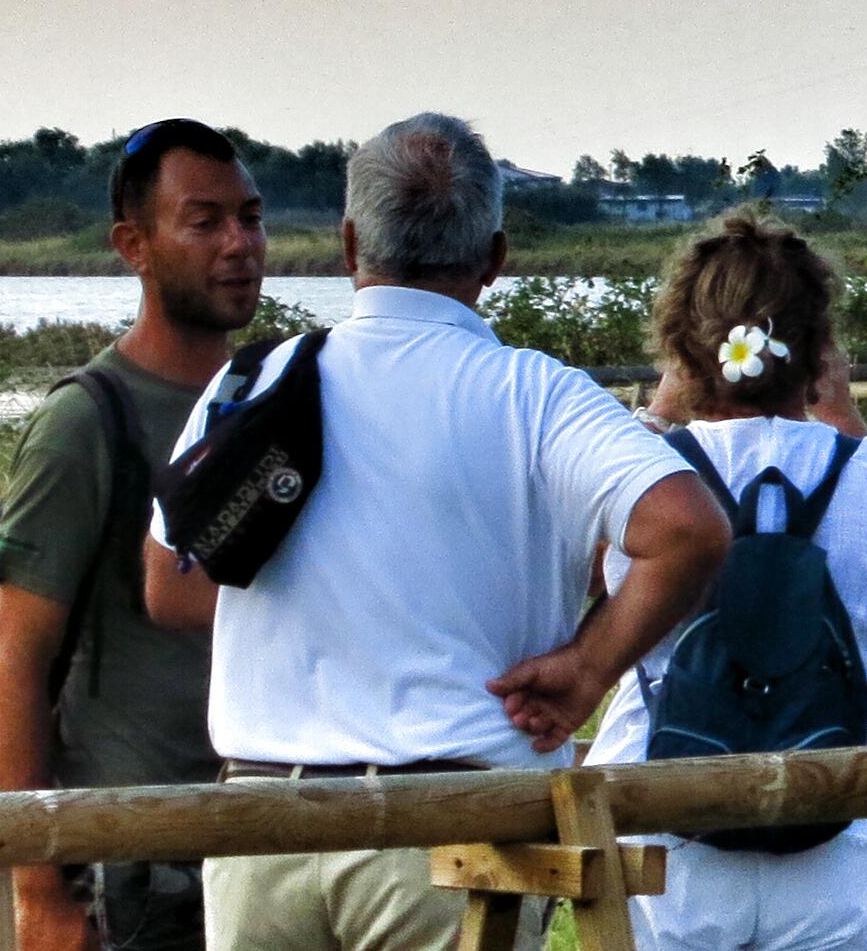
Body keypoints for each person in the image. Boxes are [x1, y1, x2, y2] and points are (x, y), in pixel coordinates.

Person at [144, 114, 730, 951]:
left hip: (263, 826)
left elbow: (170, 588)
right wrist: (587, 667)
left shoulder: (255, 381)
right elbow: (688, 529)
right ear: (494, 257)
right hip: (453, 834)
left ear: (351, 245)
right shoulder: (537, 396)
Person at [588, 211, 867, 951]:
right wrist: (843, 412)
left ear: (684, 350)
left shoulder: (635, 471)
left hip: (661, 813)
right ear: (819, 348)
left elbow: (590, 582)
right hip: (850, 812)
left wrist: (656, 414)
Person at [0, 118, 272, 951]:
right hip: (136, 868)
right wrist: (38, 891)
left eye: (250, 218)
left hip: (266, 843)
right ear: (133, 245)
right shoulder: (86, 422)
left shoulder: (268, 405)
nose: (239, 245)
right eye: (204, 221)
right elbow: (13, 661)